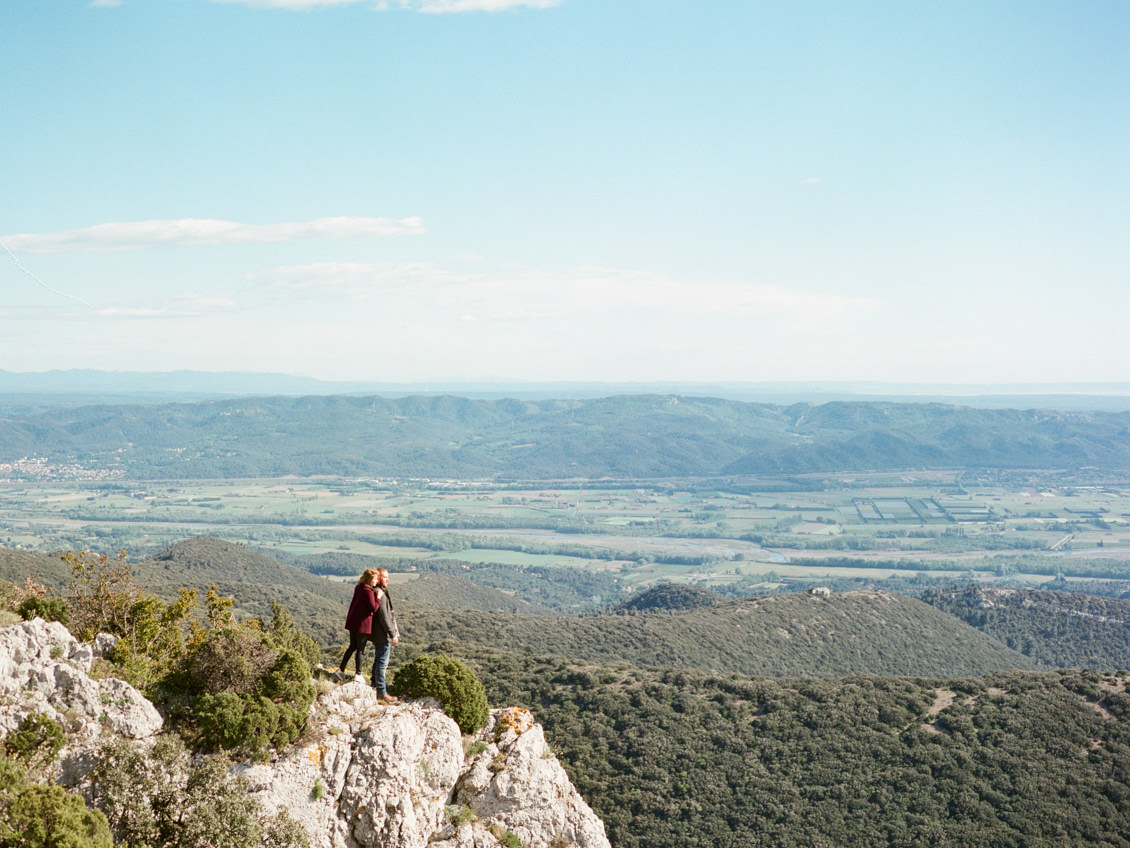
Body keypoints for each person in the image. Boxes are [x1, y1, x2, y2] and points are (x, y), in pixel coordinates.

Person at [336, 569, 380, 681]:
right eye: (375, 579)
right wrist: (378, 597)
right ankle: (358, 675)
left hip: (353, 622)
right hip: (362, 624)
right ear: (369, 579)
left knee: (352, 646)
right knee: (360, 649)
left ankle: (341, 670)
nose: (376, 581)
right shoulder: (368, 591)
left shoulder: (359, 588)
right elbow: (374, 608)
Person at [370, 567, 399, 703]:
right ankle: (381, 692)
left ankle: (374, 685)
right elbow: (384, 617)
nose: (388, 579)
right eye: (385, 577)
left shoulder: (378, 591)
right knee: (382, 662)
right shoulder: (379, 593)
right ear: (379, 578)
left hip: (378, 633)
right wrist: (392, 634)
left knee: (378, 660)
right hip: (382, 634)